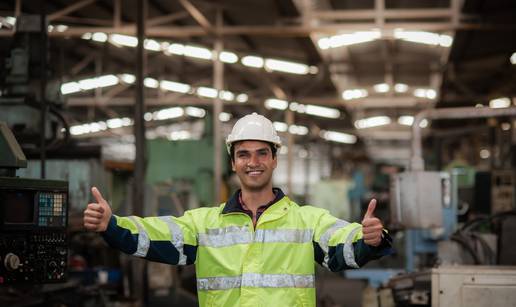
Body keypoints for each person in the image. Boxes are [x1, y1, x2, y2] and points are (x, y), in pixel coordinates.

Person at [83, 112, 393, 307]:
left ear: (274, 159)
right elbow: (155, 235)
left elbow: (342, 248)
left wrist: (369, 239)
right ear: (233, 163)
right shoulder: (203, 223)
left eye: (261, 153)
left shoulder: (307, 220)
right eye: (244, 154)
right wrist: (112, 225)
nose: (253, 162)